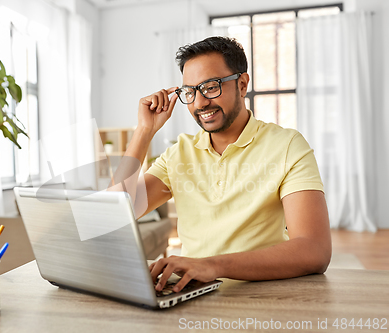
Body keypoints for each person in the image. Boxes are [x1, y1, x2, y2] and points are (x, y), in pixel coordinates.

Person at [111, 36, 331, 293]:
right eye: (190, 92)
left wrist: (212, 266)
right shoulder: (179, 154)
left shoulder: (288, 145)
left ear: (241, 84)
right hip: (191, 295)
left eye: (211, 87)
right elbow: (114, 215)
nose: (200, 102)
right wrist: (144, 131)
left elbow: (314, 249)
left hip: (262, 295)